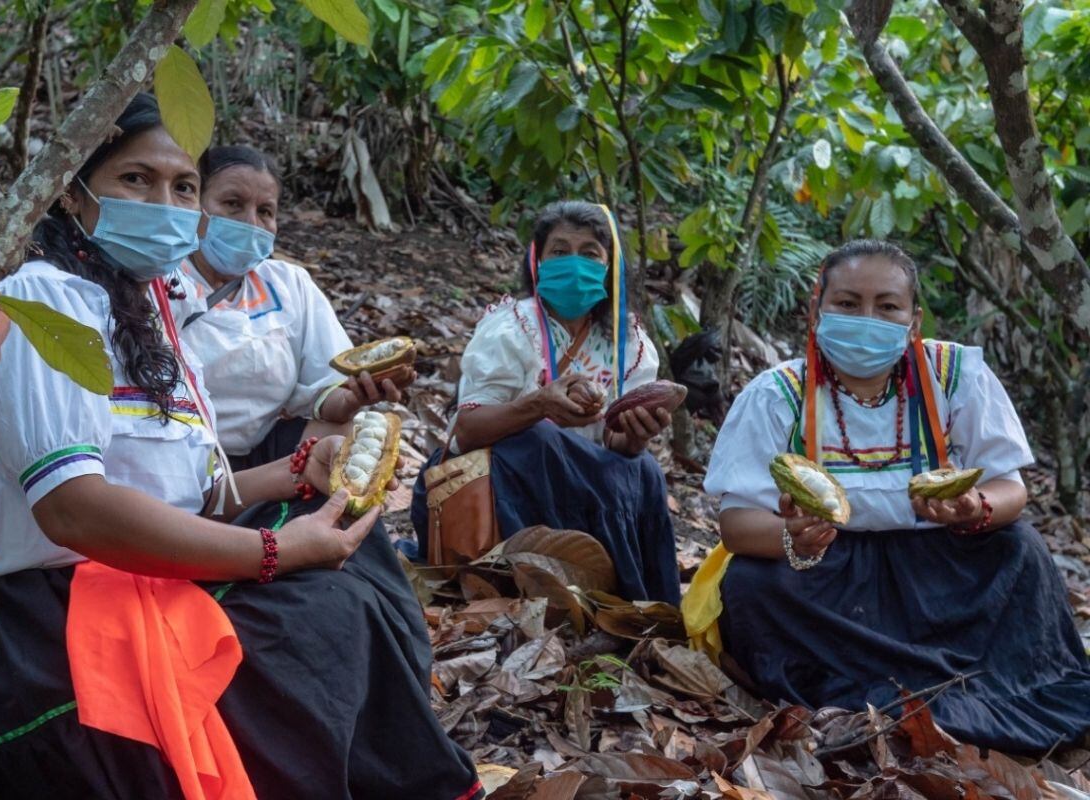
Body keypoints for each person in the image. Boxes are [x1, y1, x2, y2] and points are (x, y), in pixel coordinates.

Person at [0, 94, 483, 800]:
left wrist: (296, 470)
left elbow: (193, 490)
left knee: (346, 598)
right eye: (135, 179)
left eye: (182, 187)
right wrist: (274, 550)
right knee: (311, 628)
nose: (164, 204)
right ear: (73, 194)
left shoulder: (150, 311)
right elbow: (74, 510)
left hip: (121, 577)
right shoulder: (38, 304)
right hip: (25, 614)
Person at [697, 239, 1090, 752]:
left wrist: (974, 508)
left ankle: (992, 691)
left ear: (913, 319)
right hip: (830, 573)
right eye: (847, 303)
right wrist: (794, 537)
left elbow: (1009, 487)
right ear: (816, 310)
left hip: (939, 565)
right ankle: (848, 695)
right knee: (750, 583)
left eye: (887, 306)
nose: (867, 319)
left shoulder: (954, 376)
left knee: (1019, 548)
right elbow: (737, 524)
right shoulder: (777, 394)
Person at [411, 201, 680, 604]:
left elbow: (615, 446)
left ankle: (630, 603)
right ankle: (532, 586)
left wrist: (636, 437)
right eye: (559, 251)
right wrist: (537, 406)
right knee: (541, 439)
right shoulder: (511, 328)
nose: (574, 263)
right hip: (504, 480)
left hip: (581, 479)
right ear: (538, 260)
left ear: (610, 267)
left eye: (589, 253)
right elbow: (466, 432)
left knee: (645, 470)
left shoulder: (627, 343)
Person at [172, 144, 412, 469]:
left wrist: (352, 398)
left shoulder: (287, 285)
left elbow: (328, 391)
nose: (251, 222)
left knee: (347, 440)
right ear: (195, 204)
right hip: (176, 459)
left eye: (265, 211)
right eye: (233, 204)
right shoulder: (163, 282)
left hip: (261, 456)